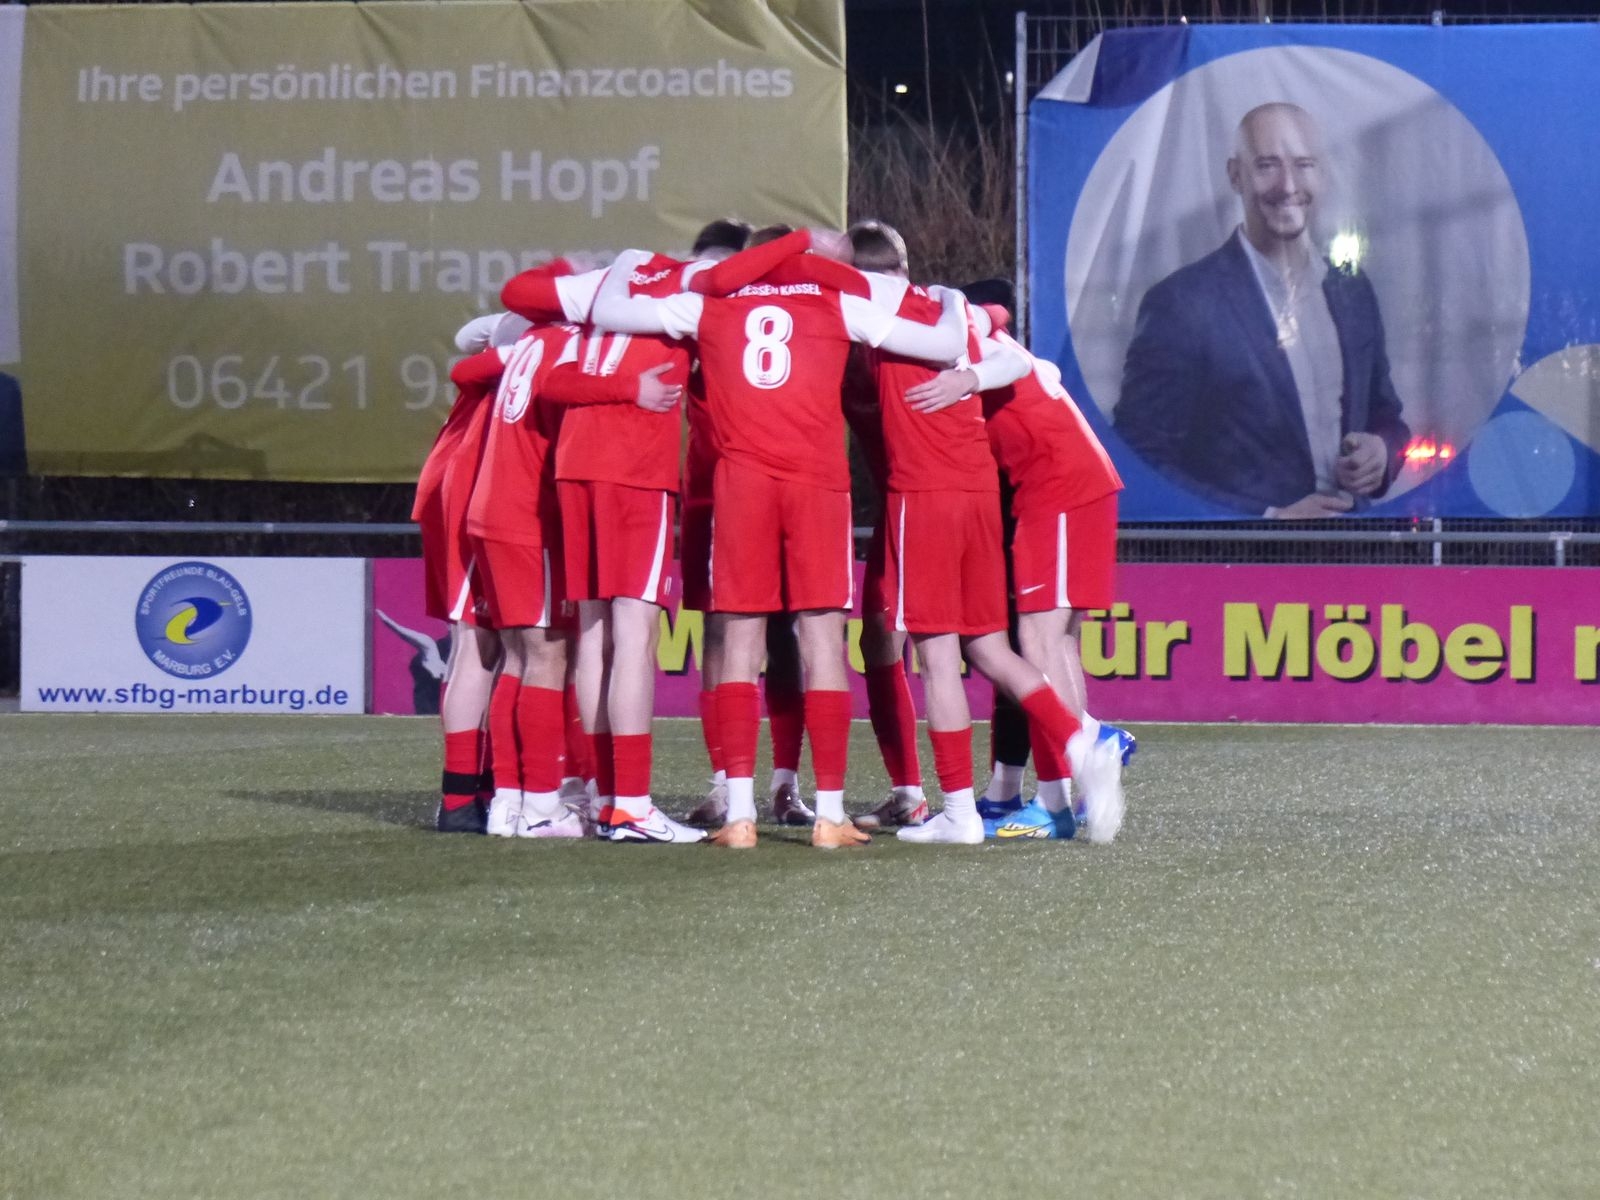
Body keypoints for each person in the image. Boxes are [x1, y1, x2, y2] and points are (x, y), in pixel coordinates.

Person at [589, 235, 968, 849]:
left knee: (738, 644)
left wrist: (628, 260)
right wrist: (951, 299)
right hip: (817, 487)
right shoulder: (835, 298)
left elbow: (609, 310)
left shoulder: (709, 301)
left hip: (741, 486)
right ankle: (830, 815)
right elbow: (946, 345)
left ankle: (739, 814)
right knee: (822, 643)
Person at [1114, 101, 1411, 518]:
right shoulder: (1181, 303)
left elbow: (1386, 415)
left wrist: (1381, 450)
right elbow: (1140, 460)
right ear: (1235, 175)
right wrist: (1267, 518)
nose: (1288, 185)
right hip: (1241, 554)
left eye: (1304, 165)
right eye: (1267, 165)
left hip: (1350, 546)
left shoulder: (1351, 289)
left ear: (1323, 174)